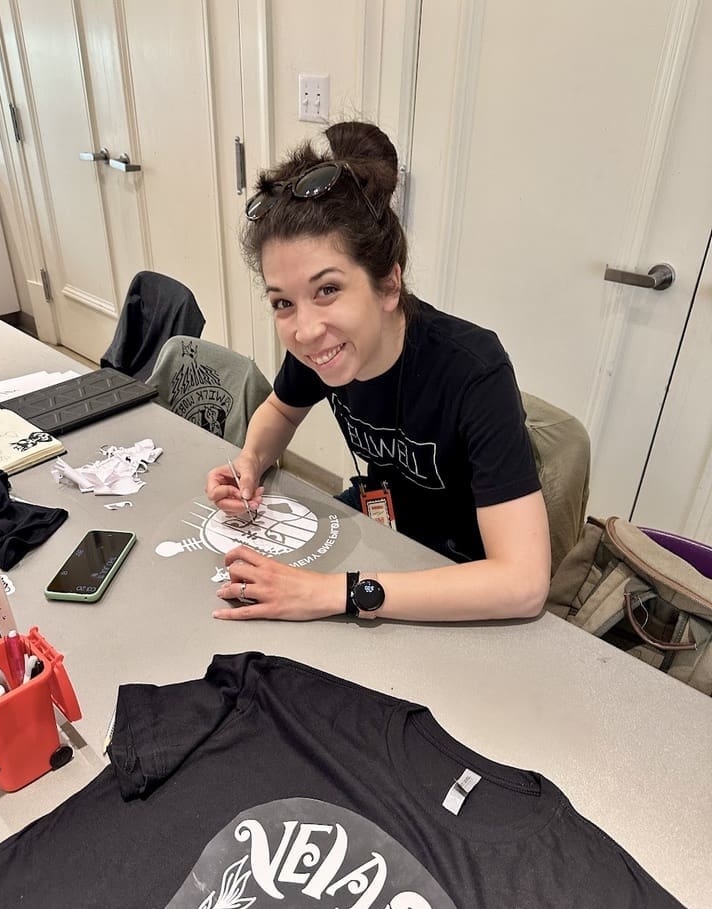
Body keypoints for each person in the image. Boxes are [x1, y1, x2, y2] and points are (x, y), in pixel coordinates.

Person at [206, 121, 550, 622]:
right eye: (283, 302)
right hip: (381, 531)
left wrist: (335, 593)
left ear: (389, 286)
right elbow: (280, 410)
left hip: (459, 573)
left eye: (327, 290)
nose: (303, 331)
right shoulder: (321, 348)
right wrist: (250, 463)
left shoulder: (474, 371)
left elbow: (522, 583)